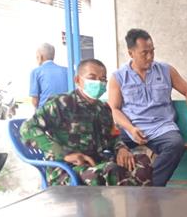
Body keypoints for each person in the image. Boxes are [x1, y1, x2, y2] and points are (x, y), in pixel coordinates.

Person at [21, 59, 152, 186]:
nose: (99, 83)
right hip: (67, 169)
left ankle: (138, 200)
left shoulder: (103, 108)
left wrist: (122, 149)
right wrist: (65, 154)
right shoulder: (61, 104)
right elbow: (27, 129)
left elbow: (114, 136)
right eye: (92, 78)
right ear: (78, 80)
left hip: (97, 162)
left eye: (102, 79)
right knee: (111, 171)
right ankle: (123, 200)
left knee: (142, 162)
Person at [108, 29, 187, 186]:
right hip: (131, 128)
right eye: (144, 53)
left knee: (175, 145)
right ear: (131, 53)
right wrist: (131, 128)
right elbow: (114, 109)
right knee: (107, 146)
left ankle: (150, 187)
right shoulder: (118, 77)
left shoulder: (166, 70)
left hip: (162, 127)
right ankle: (120, 185)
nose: (150, 57)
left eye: (152, 51)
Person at [28, 43, 69, 107]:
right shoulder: (67, 70)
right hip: (66, 110)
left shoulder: (36, 72)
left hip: (46, 111)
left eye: (37, 57)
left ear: (40, 57)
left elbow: (35, 101)